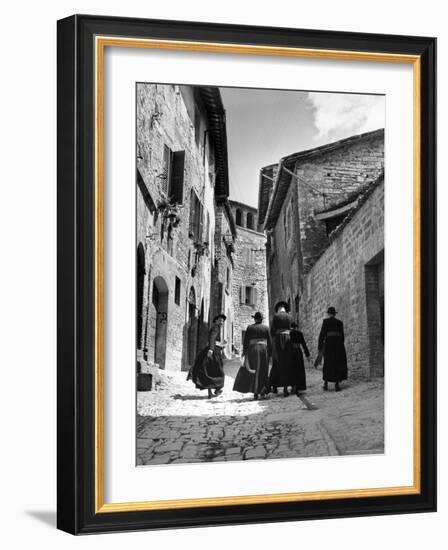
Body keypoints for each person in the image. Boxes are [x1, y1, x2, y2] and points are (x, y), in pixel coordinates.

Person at [233, 312, 271, 400]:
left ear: (255, 319)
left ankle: (255, 393)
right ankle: (262, 391)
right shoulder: (266, 328)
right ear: (262, 319)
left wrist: (244, 352)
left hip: (252, 350)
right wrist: (270, 353)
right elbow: (270, 342)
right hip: (263, 350)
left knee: (253, 369)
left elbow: (245, 341)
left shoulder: (250, 328)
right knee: (263, 370)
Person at [187, 314, 226, 398]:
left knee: (209, 370)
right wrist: (211, 349)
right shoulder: (216, 328)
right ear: (216, 321)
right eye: (219, 320)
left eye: (222, 321)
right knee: (219, 372)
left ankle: (211, 392)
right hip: (213, 352)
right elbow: (212, 338)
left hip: (214, 350)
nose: (221, 322)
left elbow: (214, 340)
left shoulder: (216, 328)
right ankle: (217, 389)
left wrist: (221, 345)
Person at [317, 307, 348, 391]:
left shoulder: (325, 321)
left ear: (328, 313)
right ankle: (337, 385)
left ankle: (326, 384)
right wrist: (341, 345)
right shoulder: (339, 323)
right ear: (334, 314)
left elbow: (322, 334)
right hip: (338, 344)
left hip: (329, 344)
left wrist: (320, 346)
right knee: (338, 362)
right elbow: (342, 336)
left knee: (328, 362)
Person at [269, 300, 294, 396]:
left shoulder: (275, 316)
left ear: (278, 309)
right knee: (287, 362)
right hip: (288, 339)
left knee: (277, 362)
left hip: (278, 340)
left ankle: (275, 386)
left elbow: (272, 331)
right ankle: (286, 388)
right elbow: (292, 329)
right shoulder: (290, 317)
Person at [290, 322, 310, 395]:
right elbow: (304, 344)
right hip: (298, 352)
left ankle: (293, 386)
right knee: (299, 369)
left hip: (291, 352)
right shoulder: (299, 333)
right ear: (296, 327)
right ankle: (298, 386)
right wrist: (307, 354)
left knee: (292, 369)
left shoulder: (289, 334)